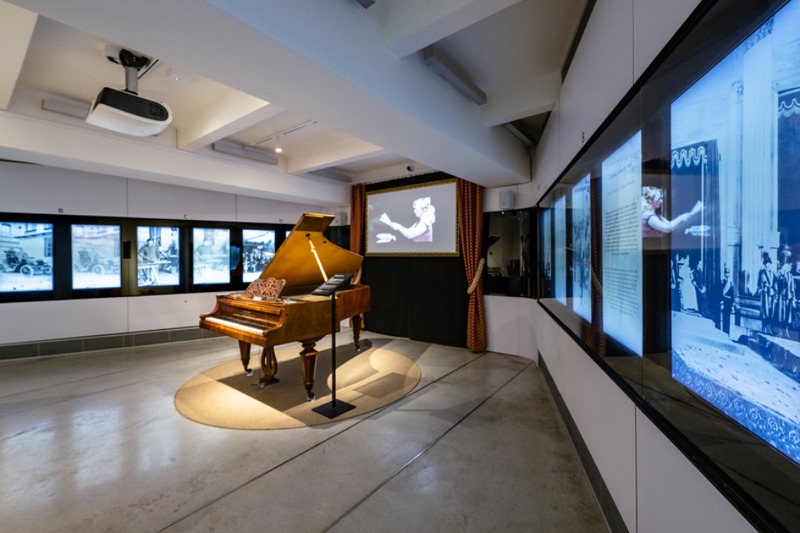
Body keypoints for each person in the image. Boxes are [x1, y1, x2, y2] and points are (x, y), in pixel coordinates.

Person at [757, 251, 777, 335]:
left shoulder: (772, 272)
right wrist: (761, 289)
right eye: (766, 263)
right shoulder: (761, 272)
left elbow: (776, 282)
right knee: (764, 311)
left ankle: (769, 328)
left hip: (771, 294)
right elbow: (759, 283)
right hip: (764, 294)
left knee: (771, 311)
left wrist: (775, 292)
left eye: (769, 263)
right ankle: (764, 328)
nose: (767, 265)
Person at [717, 265, 736, 335]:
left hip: (729, 301)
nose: (727, 274)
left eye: (728, 273)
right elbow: (720, 292)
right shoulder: (722, 282)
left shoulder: (731, 283)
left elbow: (733, 293)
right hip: (724, 300)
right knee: (724, 316)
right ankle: (723, 331)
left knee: (728, 317)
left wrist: (733, 303)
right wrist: (721, 301)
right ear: (724, 274)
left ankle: (727, 331)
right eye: (726, 273)